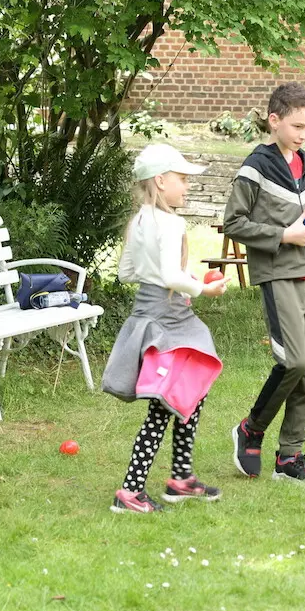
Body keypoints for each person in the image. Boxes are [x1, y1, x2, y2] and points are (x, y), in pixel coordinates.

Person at [102, 144, 229, 514]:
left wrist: (172, 278)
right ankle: (130, 491)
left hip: (152, 314)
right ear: (161, 180)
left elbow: (127, 273)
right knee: (164, 406)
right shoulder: (172, 223)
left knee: (192, 390)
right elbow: (171, 275)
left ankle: (181, 476)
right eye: (182, 179)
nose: (187, 187)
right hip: (168, 320)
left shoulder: (139, 220)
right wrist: (202, 287)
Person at [224, 82, 305, 484]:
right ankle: (252, 428)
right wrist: (282, 236)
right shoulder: (255, 167)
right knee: (294, 360)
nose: (304, 135)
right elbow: (234, 222)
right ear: (274, 120)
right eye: (297, 126)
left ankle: (290, 457)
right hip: (278, 272)